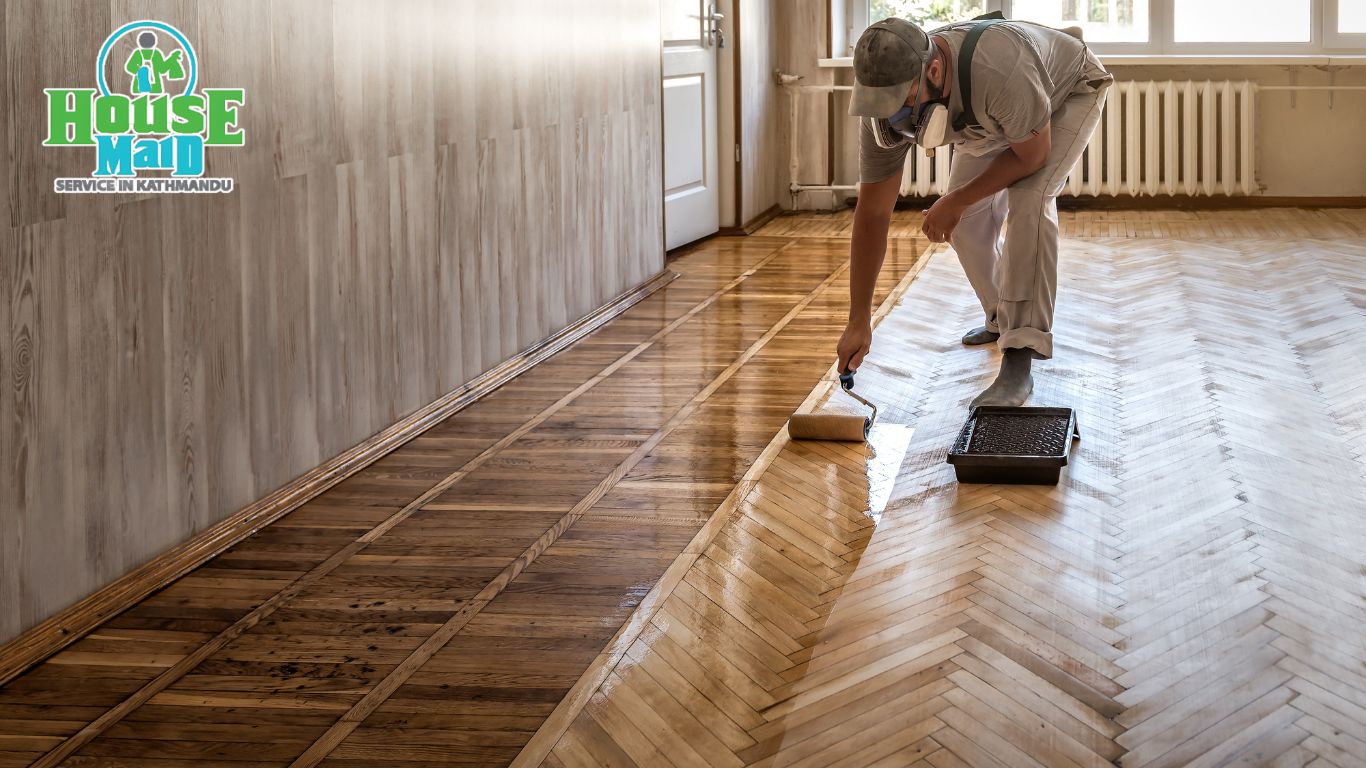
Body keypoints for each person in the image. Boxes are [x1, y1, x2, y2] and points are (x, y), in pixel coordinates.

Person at [836, 14, 1111, 408]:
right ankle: (1002, 318)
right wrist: (858, 319)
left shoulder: (999, 66)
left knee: (1030, 201)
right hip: (991, 112)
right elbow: (873, 214)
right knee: (964, 224)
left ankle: (1020, 357)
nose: (894, 116)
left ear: (933, 69)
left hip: (1066, 91)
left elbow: (1032, 157)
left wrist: (955, 199)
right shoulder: (881, 108)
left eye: (904, 101)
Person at [125, 30, 185, 96]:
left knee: (143, 71)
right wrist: (171, 59)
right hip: (156, 88)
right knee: (144, 71)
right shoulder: (156, 54)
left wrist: (139, 70)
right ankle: (144, 77)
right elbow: (162, 70)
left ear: (139, 42)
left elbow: (129, 67)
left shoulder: (137, 53)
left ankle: (143, 81)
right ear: (154, 42)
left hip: (138, 87)